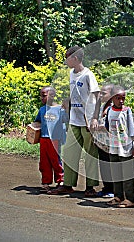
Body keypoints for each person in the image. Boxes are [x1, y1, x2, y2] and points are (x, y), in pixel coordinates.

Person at [48, 46, 100, 197]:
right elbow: (76, 94)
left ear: (75, 58)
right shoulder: (72, 74)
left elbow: (97, 97)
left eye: (67, 58)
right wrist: (68, 101)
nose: (66, 61)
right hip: (74, 119)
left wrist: (94, 118)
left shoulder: (88, 75)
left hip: (87, 121)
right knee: (70, 152)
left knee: (90, 154)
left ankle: (90, 187)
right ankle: (68, 184)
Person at [105, 85, 134, 208]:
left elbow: (132, 129)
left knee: (127, 174)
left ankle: (130, 198)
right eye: (118, 98)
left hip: (126, 147)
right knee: (116, 173)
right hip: (114, 147)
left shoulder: (126, 111)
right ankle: (118, 196)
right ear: (112, 98)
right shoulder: (109, 110)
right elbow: (107, 126)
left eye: (123, 98)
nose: (121, 101)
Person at [34, 86, 68, 192]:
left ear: (52, 96)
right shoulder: (42, 109)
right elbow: (38, 122)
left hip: (55, 139)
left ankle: (60, 181)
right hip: (43, 139)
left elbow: (65, 122)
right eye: (41, 96)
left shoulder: (59, 109)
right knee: (44, 162)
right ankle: (46, 182)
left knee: (56, 160)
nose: (42, 98)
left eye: (44, 96)